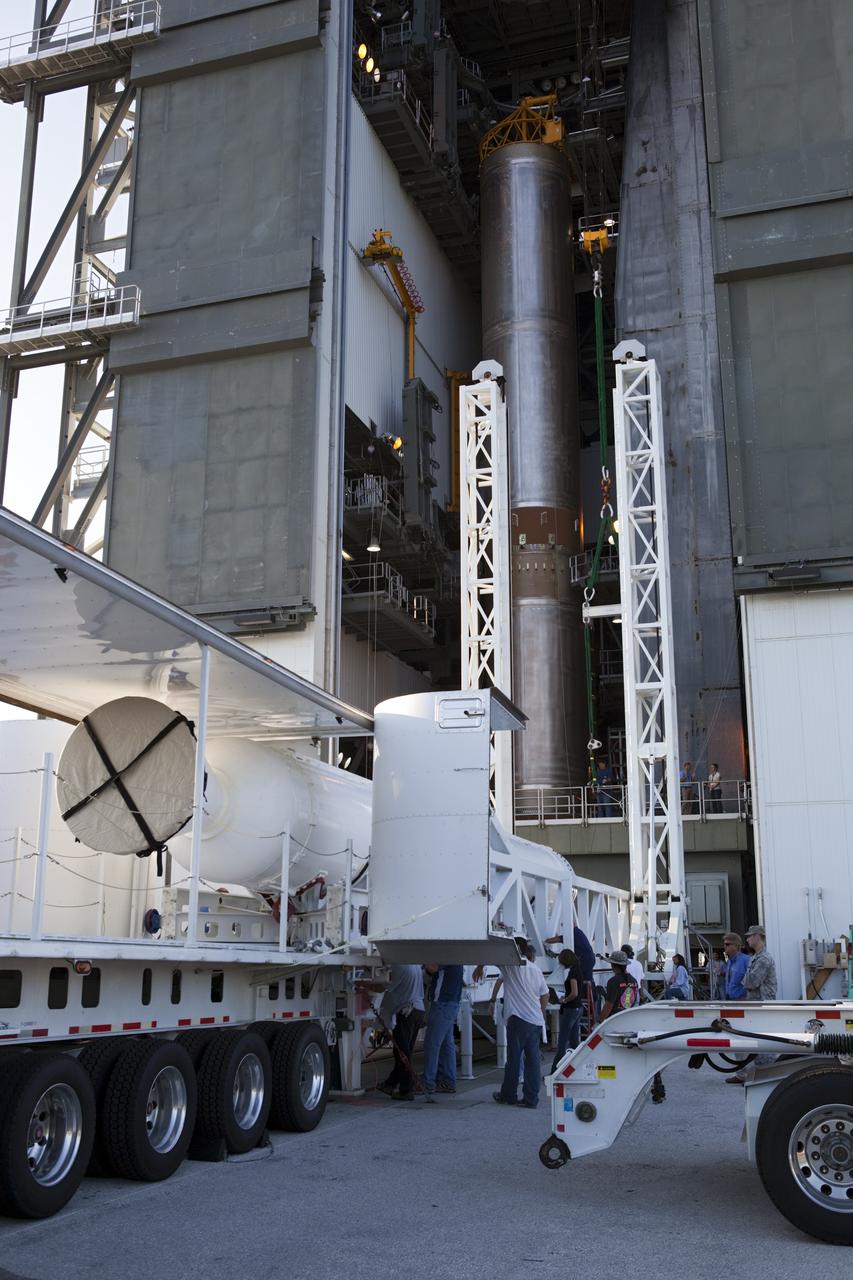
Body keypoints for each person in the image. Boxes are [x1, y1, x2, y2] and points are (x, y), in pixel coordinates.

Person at [478, 938, 549, 1109]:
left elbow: (488, 955)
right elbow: (545, 994)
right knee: (533, 1061)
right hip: (535, 1021)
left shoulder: (509, 966)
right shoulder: (535, 969)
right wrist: (539, 1010)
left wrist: (480, 966)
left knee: (514, 1059)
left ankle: (508, 1095)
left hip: (518, 1019)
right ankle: (531, 1099)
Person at [357, 963, 425, 1101]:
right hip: (418, 1010)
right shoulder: (414, 963)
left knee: (401, 1053)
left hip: (407, 1011)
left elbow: (382, 988)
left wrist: (362, 983)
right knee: (403, 1050)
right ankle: (391, 1083)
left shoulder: (400, 966)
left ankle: (406, 1089)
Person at [726, 925, 778, 1084]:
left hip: (761, 1006)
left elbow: (751, 982)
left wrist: (746, 980)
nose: (747, 939)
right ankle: (745, 1074)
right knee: (743, 1038)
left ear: (758, 936)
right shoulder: (756, 957)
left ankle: (765, 1075)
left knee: (761, 1042)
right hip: (754, 1005)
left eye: (749, 936)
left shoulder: (763, 959)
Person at [421, 963, 464, 1102]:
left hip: (442, 1003)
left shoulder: (447, 954)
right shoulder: (457, 955)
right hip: (451, 1003)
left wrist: (418, 959)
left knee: (432, 1044)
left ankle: (428, 1083)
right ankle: (447, 1081)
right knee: (447, 1044)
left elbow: (432, 968)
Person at [549, 948, 582, 1074]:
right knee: (574, 1042)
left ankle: (555, 1072)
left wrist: (564, 1000)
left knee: (562, 1043)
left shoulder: (572, 973)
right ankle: (575, 1069)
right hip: (577, 1008)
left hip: (570, 1009)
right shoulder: (578, 970)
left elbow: (574, 993)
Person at [599, 951, 639, 1019]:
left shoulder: (613, 982)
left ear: (613, 965)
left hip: (614, 1020)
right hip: (629, 1019)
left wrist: (600, 1022)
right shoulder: (634, 981)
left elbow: (608, 1005)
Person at [721, 932, 749, 999]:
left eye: (727, 944)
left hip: (742, 1001)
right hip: (730, 999)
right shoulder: (729, 962)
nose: (724, 946)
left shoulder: (746, 960)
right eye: (724, 944)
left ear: (737, 946)